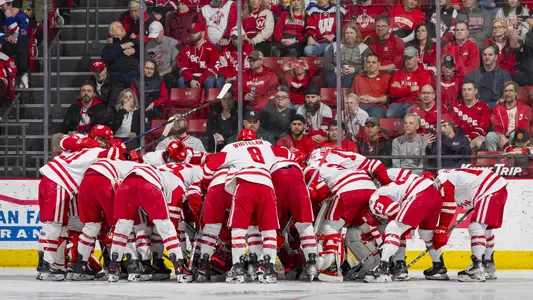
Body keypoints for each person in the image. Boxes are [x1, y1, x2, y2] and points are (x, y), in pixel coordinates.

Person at [202, 129, 291, 283]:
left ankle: (237, 268)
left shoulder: (232, 147)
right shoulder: (265, 144)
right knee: (268, 229)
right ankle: (269, 268)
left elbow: (208, 169)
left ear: (239, 138)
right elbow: (288, 155)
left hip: (245, 184)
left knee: (239, 228)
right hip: (266, 184)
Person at [36, 126, 118, 280]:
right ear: (93, 136)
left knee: (52, 225)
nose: (102, 142)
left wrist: (84, 141)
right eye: (101, 139)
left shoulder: (82, 146)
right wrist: (118, 145)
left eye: (105, 140)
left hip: (50, 179)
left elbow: (64, 142)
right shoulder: (96, 151)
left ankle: (43, 265)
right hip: (59, 183)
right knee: (54, 225)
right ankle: (48, 265)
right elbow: (116, 153)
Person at [364, 172, 442, 282]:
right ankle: (439, 266)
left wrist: (389, 237)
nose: (381, 220)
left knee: (393, 227)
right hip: (435, 196)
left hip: (419, 194)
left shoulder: (374, 197)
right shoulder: (394, 186)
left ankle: (383, 268)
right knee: (426, 234)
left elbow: (393, 209)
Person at [433, 168, 508, 282]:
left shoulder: (442, 179)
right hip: (495, 189)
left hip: (488, 190)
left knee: (476, 227)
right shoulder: (449, 179)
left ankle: (477, 267)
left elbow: (448, 206)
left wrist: (443, 227)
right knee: (485, 230)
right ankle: (487, 265)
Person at [177, 22, 224, 91]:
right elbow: (182, 67)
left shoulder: (212, 48)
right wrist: (191, 80)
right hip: (191, 76)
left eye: (195, 32)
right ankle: (183, 101)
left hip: (206, 76)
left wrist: (200, 81)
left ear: (202, 33)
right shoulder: (186, 49)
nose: (192, 35)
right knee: (181, 80)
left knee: (209, 80)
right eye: (191, 32)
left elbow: (213, 69)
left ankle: (209, 101)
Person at [485, 81, 531, 151]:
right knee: (490, 136)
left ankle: (512, 156)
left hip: (516, 137)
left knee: (515, 134)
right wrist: (502, 136)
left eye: (510, 91)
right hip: (501, 136)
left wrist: (509, 137)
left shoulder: (525, 108)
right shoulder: (497, 107)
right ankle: (494, 158)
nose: (507, 93)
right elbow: (496, 125)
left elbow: (523, 127)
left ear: (516, 93)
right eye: (505, 91)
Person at [387, 47, 432, 118]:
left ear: (417, 57)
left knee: (411, 115)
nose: (408, 60)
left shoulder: (425, 74)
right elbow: (393, 93)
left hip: (416, 103)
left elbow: (421, 94)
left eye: (410, 57)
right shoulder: (398, 73)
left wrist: (401, 89)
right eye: (406, 58)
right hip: (399, 103)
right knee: (390, 113)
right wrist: (410, 89)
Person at [324, 22, 372, 88]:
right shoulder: (335, 45)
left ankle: (348, 95)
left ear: (356, 34)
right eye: (347, 33)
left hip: (355, 73)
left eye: (351, 33)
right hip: (337, 72)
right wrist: (335, 68)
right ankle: (334, 95)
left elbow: (367, 65)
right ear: (344, 34)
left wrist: (354, 69)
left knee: (353, 76)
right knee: (330, 74)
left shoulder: (364, 47)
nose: (349, 35)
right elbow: (326, 63)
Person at [465, 44, 512, 110]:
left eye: (490, 55)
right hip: (477, 105)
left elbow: (510, 90)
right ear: (482, 57)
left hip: (496, 104)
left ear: (495, 57)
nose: (487, 57)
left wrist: (503, 99)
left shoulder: (504, 74)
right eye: (485, 55)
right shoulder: (474, 74)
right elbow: (466, 89)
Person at [450, 80, 491, 152]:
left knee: (479, 143)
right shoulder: (455, 107)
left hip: (477, 138)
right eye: (464, 90)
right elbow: (455, 127)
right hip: (460, 138)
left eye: (469, 89)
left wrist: (471, 137)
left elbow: (483, 127)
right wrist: (463, 138)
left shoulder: (484, 106)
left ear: (476, 91)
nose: (466, 92)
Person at [0, 0, 30, 88]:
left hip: (19, 44)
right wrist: (5, 38)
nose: (0, 7)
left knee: (21, 43)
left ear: (9, 3)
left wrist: (10, 19)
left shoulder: (22, 16)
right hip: (5, 43)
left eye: (2, 5)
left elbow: (20, 35)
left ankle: (24, 74)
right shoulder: (1, 15)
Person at [101, 22, 140, 87]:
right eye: (117, 27)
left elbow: (143, 52)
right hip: (116, 74)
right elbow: (106, 57)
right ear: (112, 33)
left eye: (121, 26)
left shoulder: (133, 41)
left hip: (132, 71)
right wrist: (122, 46)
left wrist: (134, 51)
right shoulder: (110, 46)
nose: (121, 27)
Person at [353, 54, 390, 118]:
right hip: (360, 106)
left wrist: (375, 100)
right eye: (368, 62)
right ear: (365, 64)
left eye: (374, 62)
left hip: (378, 107)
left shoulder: (386, 77)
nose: (371, 64)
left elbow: (389, 97)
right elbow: (352, 96)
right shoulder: (358, 77)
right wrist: (358, 99)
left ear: (379, 64)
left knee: (375, 114)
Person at [146, 21, 179, 89]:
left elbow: (174, 65)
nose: (155, 38)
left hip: (169, 73)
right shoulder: (148, 45)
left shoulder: (172, 42)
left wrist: (162, 73)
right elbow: (146, 62)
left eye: (157, 35)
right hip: (153, 73)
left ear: (162, 31)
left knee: (169, 81)